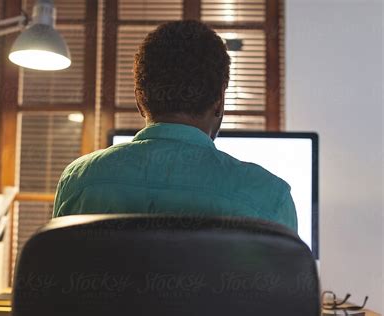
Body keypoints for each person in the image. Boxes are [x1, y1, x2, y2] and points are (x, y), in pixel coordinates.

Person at [53, 20, 297, 232]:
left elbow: (57, 282)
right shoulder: (270, 198)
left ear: (140, 100)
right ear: (220, 102)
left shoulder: (79, 183)